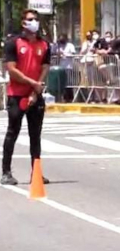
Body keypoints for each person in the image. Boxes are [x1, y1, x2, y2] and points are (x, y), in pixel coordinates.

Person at [1, 9, 51, 185]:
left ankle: (36, 172)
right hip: (16, 95)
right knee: (12, 132)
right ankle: (6, 172)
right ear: (23, 23)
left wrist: (35, 90)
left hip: (35, 95)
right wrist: (32, 83)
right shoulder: (13, 43)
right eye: (31, 19)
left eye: (36, 19)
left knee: (35, 135)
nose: (34, 22)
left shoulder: (44, 45)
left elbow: (45, 68)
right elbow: (12, 70)